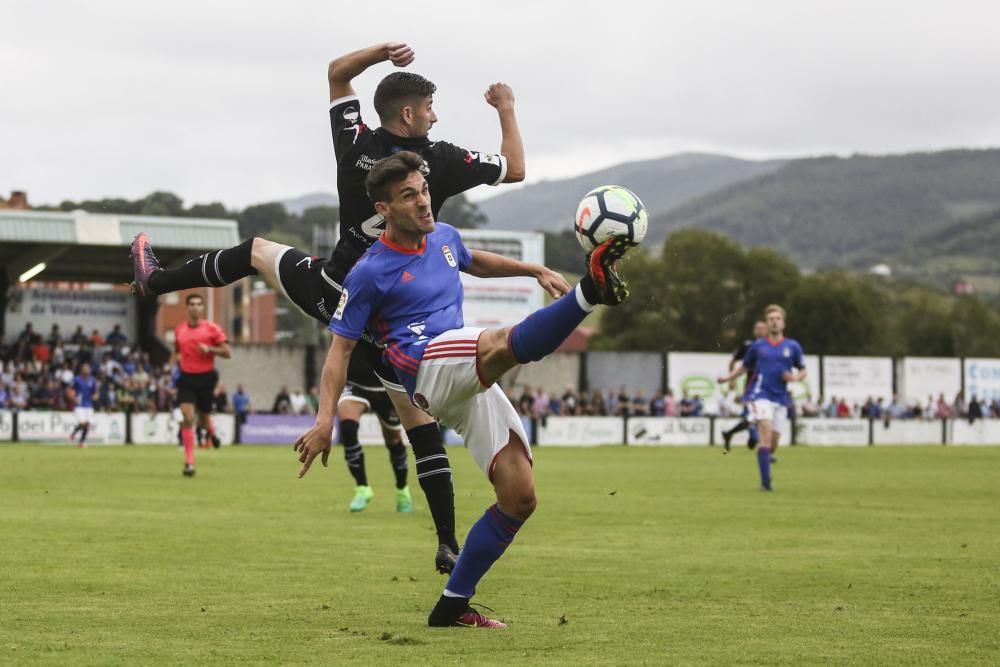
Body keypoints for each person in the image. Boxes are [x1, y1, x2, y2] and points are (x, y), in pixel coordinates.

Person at [129, 41, 524, 573]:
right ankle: (446, 543)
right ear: (409, 113)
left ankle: (156, 281)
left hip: (341, 291)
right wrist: (505, 108)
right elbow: (516, 168)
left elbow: (337, 72)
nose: (435, 115)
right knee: (419, 428)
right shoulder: (441, 161)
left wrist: (382, 53)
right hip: (398, 319)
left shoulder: (355, 139)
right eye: (429, 108)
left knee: (255, 252)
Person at [293, 151, 636, 628]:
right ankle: (589, 293)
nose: (423, 202)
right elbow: (339, 352)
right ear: (384, 210)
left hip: (463, 378)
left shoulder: (445, 237)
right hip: (425, 368)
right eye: (408, 195)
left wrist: (531, 270)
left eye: (424, 190)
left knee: (519, 496)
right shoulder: (370, 271)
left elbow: (476, 261)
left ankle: (452, 607)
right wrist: (324, 419)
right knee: (498, 344)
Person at [718, 305, 805, 491]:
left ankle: (761, 451)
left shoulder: (793, 347)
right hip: (759, 395)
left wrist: (796, 377)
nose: (774, 321)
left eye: (777, 318)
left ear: (783, 323)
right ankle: (765, 485)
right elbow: (744, 367)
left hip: (781, 399)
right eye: (771, 319)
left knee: (773, 444)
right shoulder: (758, 346)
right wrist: (728, 377)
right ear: (767, 324)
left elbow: (802, 369)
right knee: (765, 434)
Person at [171, 294, 231, 476]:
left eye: (199, 304)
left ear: (203, 308)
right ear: (187, 308)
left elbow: (228, 352)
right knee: (188, 418)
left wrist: (210, 349)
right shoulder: (180, 330)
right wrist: (173, 366)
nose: (195, 307)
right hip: (186, 379)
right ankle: (190, 463)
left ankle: (211, 433)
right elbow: (176, 352)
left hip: (206, 379)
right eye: (192, 304)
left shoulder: (212, 329)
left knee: (204, 419)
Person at [718, 320, 767, 451]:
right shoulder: (748, 345)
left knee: (758, 417)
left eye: (762, 328)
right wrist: (731, 380)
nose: (760, 330)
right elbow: (733, 362)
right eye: (757, 328)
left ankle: (730, 434)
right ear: (754, 331)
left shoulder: (773, 346)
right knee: (751, 415)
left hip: (768, 386)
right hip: (751, 386)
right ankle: (755, 438)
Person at [69, 363, 98, 448]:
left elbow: (95, 392)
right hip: (79, 405)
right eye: (85, 369)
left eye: (88, 369)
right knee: (83, 423)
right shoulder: (77, 379)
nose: (87, 370)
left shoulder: (92, 380)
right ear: (82, 370)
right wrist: (73, 398)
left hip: (88, 405)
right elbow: (70, 390)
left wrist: (95, 396)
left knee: (87, 424)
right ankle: (74, 434)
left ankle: (81, 442)